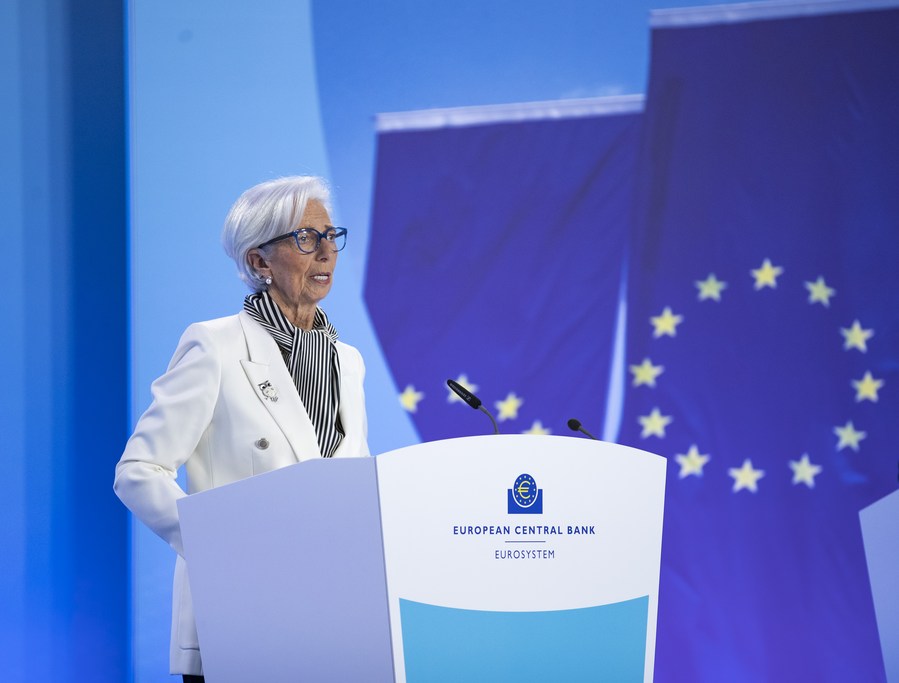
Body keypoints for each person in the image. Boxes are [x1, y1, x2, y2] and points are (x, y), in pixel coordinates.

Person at [114, 176, 370, 681]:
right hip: (236, 612)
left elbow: (351, 481)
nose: (325, 252)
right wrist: (218, 547)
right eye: (305, 237)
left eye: (329, 235)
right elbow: (138, 470)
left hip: (332, 619)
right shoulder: (215, 345)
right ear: (259, 261)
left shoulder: (348, 360)